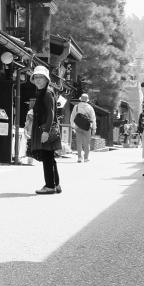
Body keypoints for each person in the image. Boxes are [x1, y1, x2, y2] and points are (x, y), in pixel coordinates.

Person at [26, 65, 62, 194]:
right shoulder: (43, 92)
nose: (38, 80)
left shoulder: (46, 93)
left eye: (41, 77)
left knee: (47, 158)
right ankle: (56, 184)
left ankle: (50, 186)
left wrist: (46, 131)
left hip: (45, 129)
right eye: (36, 77)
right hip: (44, 128)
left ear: (46, 79)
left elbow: (51, 113)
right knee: (50, 158)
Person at [70, 93, 97, 162]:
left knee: (79, 142)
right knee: (86, 143)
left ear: (80, 99)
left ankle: (79, 158)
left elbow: (72, 117)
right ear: (87, 100)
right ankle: (86, 158)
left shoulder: (76, 106)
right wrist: (94, 128)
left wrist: (73, 126)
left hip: (78, 127)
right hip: (87, 127)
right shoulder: (90, 107)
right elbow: (93, 118)